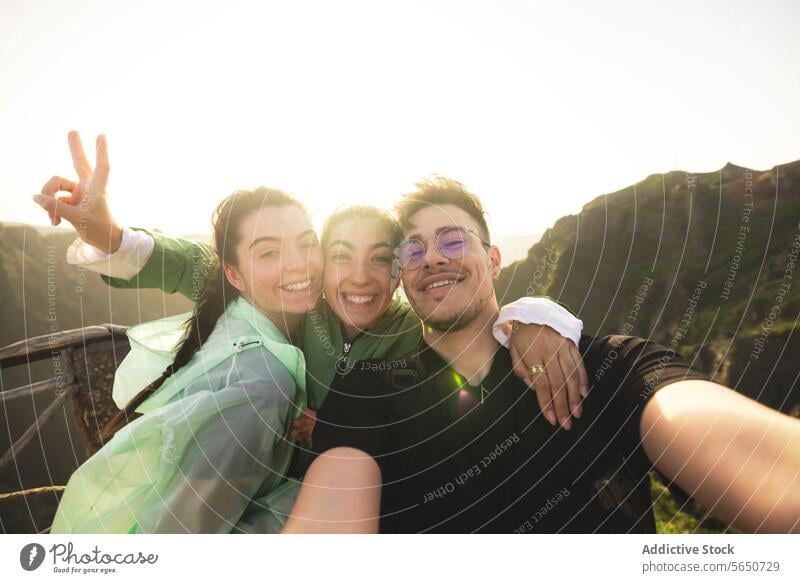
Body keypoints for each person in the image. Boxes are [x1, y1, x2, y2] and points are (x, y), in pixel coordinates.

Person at [283, 177, 800, 534]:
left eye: (451, 240)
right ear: (403, 276)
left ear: (493, 258)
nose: (432, 257)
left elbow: (703, 423)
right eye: (412, 250)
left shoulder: (604, 367)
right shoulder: (368, 394)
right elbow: (335, 502)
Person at [34, 132, 590, 433]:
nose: (359, 278)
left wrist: (536, 314)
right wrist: (108, 233)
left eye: (380, 259)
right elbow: (190, 263)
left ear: (401, 271)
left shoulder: (416, 335)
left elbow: (475, 322)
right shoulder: (297, 306)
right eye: (340, 257)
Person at [52, 183, 321, 533]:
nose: (298, 263)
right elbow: (179, 534)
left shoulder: (247, 319)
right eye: (269, 252)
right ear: (233, 274)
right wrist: (314, 494)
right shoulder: (261, 386)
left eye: (308, 243)